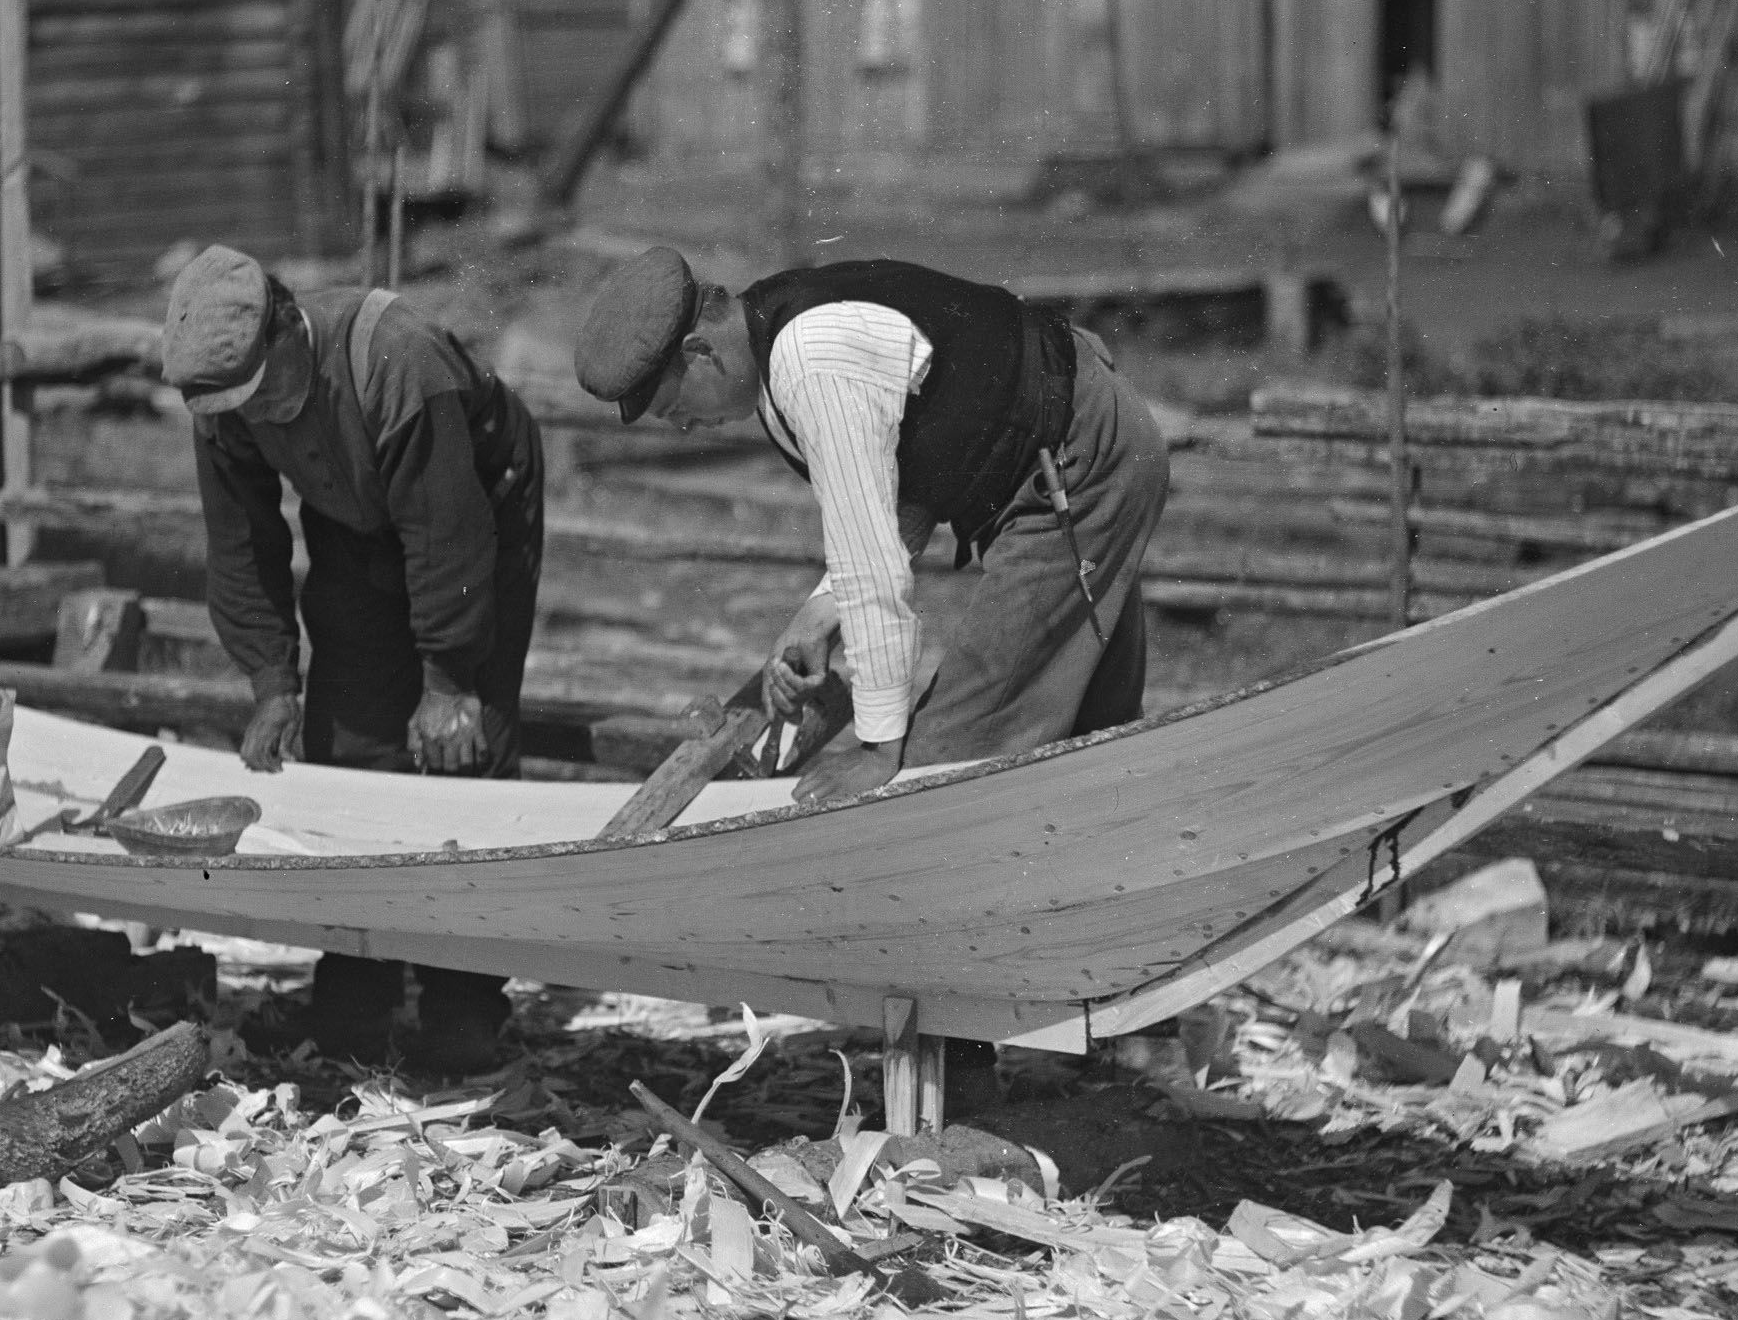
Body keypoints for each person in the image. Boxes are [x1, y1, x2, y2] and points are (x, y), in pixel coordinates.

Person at [570, 246, 1167, 807]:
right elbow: (898, 502)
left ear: (700, 352)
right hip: (1060, 444)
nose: (683, 428)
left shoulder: (810, 363)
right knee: (1093, 728)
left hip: (1076, 461)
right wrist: (819, 615)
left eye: (676, 408)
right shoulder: (772, 348)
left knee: (944, 760)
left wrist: (879, 746)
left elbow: (872, 566)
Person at [162, 244, 543, 1071]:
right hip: (358, 512)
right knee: (350, 742)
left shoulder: (397, 360)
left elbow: (448, 533)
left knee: (461, 753)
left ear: (289, 331)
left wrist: (447, 681)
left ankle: (463, 1006)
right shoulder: (222, 401)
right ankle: (355, 995)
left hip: (475, 506)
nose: (256, 421)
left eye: (264, 398)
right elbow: (240, 543)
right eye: (239, 412)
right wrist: (271, 682)